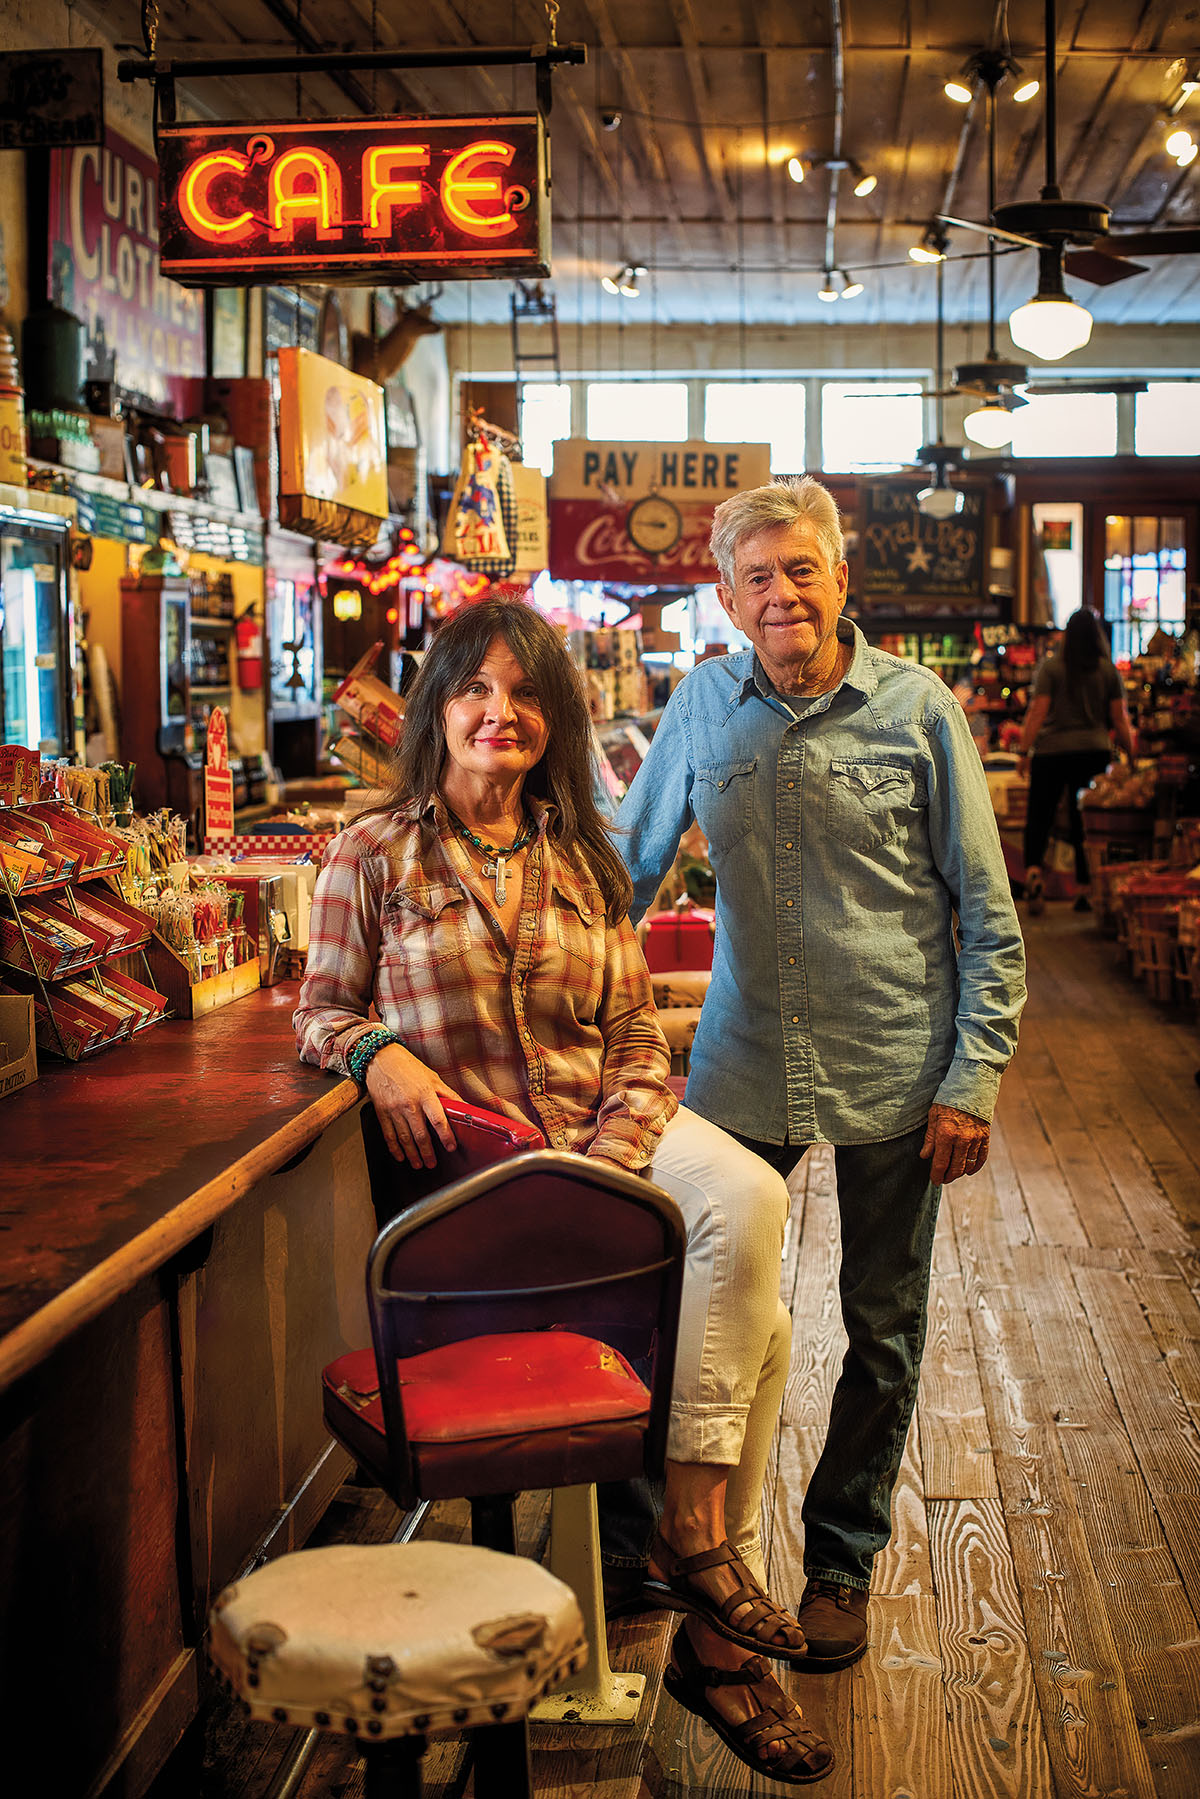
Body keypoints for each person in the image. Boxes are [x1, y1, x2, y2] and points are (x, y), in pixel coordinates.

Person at [295, 597, 834, 1785]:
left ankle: (691, 1537)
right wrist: (375, 1053)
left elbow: (640, 1035)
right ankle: (710, 1602)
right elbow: (320, 1006)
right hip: (476, 1192)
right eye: (478, 690)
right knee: (774, 1330)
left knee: (746, 1195)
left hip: (596, 1143)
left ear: (557, 720)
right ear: (437, 707)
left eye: (528, 694)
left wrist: (613, 1156)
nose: (502, 713)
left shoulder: (586, 854)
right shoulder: (371, 850)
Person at [615, 476, 1027, 1671]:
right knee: (688, 1295)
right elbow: (620, 876)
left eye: (802, 569)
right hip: (742, 1065)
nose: (782, 593)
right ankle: (658, 1543)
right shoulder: (700, 704)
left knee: (881, 1324)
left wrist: (974, 1076)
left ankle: (839, 1561)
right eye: (757, 575)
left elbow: (988, 916)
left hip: (903, 1065)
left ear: (842, 578)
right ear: (729, 595)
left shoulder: (919, 708)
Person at [1018, 608, 1136, 915]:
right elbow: (1119, 720)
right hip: (1093, 752)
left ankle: (1033, 871)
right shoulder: (1108, 671)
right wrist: (1133, 754)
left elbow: (1037, 712)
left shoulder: (1051, 668)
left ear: (1068, 635)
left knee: (1040, 815)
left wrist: (1023, 750)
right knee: (1083, 822)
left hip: (1051, 753)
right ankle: (1085, 889)